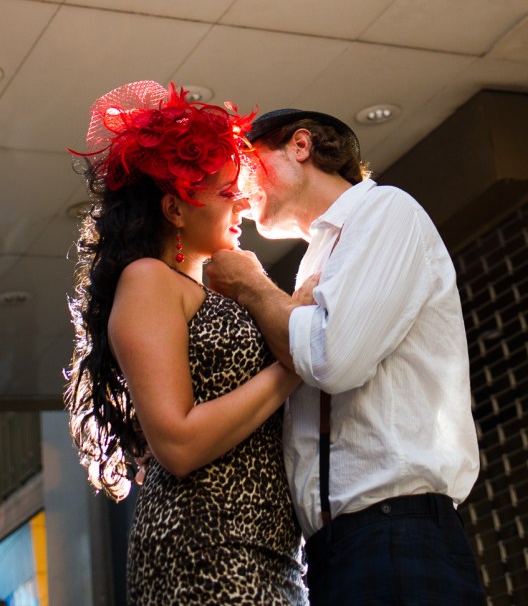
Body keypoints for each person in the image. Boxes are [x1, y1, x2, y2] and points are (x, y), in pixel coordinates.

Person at [206, 108, 486, 606]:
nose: (239, 195)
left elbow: (332, 360)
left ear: (300, 146)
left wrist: (251, 287)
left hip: (398, 531)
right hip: (336, 550)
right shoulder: (318, 257)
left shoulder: (384, 211)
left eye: (245, 165)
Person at [65, 82, 313, 606]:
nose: (243, 203)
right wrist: (294, 364)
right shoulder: (147, 280)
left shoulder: (209, 288)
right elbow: (176, 444)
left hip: (268, 547)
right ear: (176, 210)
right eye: (227, 193)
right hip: (203, 546)